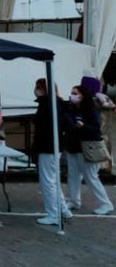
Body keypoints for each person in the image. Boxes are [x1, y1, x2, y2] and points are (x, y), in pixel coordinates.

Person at [63, 85, 114, 215]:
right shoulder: (71, 109)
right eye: (72, 93)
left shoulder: (91, 111)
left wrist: (83, 126)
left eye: (75, 93)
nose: (72, 96)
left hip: (88, 148)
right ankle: (74, 201)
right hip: (73, 146)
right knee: (73, 176)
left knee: (91, 177)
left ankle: (106, 203)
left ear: (83, 95)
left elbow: (95, 131)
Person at [32, 79, 73, 226]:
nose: (35, 90)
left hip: (47, 147)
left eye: (38, 88)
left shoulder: (48, 105)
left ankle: (54, 214)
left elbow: (46, 127)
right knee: (53, 181)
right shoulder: (57, 104)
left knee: (48, 183)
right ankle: (62, 210)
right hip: (53, 147)